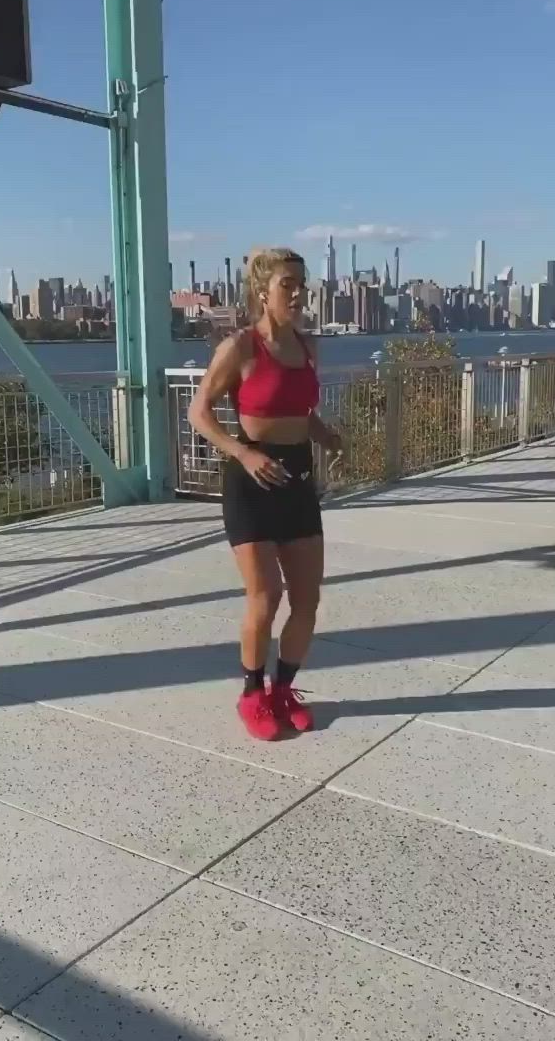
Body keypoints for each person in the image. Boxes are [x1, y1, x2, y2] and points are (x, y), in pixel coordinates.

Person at [188, 246, 342, 740]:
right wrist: (244, 452)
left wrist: (325, 435)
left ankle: (282, 690)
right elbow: (200, 413)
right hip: (251, 480)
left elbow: (300, 410)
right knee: (265, 596)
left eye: (302, 283)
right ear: (262, 291)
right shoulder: (239, 347)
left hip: (297, 479)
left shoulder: (308, 345)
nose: (298, 293)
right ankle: (252, 694)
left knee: (307, 599)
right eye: (287, 285)